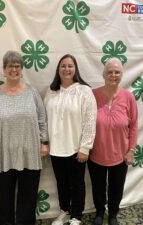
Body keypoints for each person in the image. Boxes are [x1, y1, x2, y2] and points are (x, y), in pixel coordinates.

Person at [0, 50, 49, 225]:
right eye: (10, 66)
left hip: (30, 151)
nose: (14, 69)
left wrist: (44, 142)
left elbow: (41, 118)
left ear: (22, 69)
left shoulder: (32, 92)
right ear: (4, 69)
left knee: (28, 194)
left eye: (17, 66)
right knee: (5, 195)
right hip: (5, 152)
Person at [44, 54, 97, 225]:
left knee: (77, 184)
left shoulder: (84, 91)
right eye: (63, 66)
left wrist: (85, 147)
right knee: (61, 183)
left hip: (76, 148)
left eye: (70, 66)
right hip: (56, 148)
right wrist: (45, 142)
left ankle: (76, 215)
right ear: (58, 70)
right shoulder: (51, 92)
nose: (66, 69)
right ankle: (65, 211)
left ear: (75, 69)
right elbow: (44, 119)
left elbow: (90, 120)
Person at [88, 58, 138, 225]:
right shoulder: (92, 95)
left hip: (120, 155)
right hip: (96, 154)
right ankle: (100, 213)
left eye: (117, 72)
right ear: (103, 74)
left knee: (116, 188)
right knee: (98, 187)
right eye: (110, 72)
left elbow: (134, 126)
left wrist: (131, 150)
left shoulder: (129, 97)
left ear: (122, 75)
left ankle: (114, 214)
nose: (113, 75)